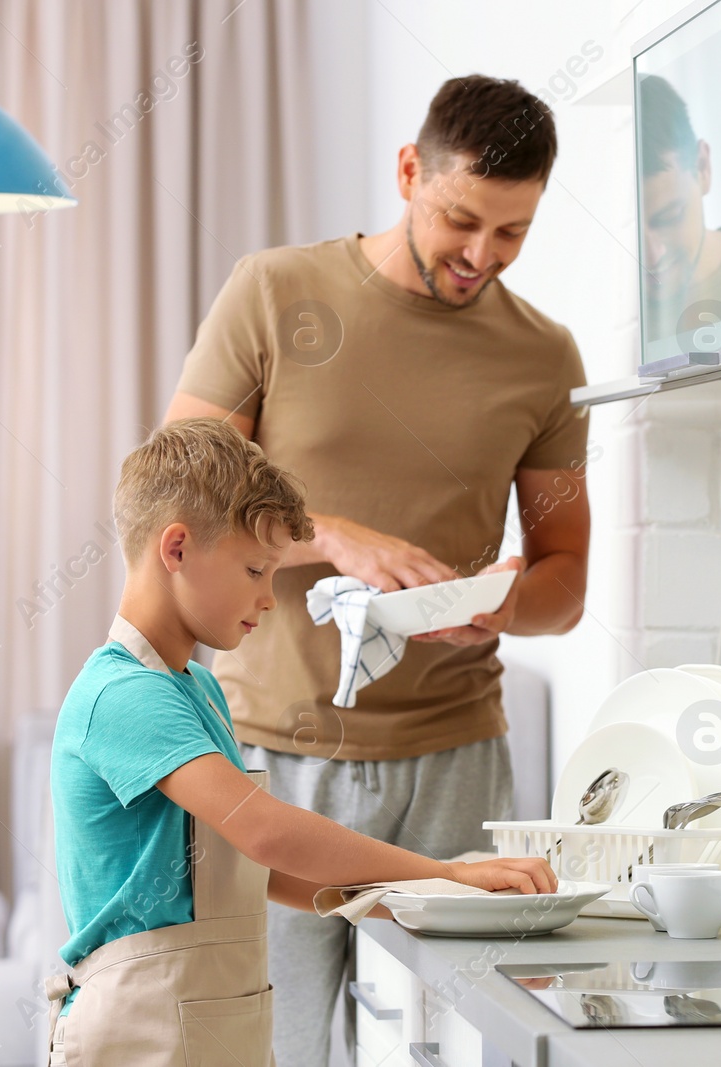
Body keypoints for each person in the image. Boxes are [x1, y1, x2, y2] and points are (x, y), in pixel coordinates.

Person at [162, 75, 591, 1067]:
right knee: (262, 1049)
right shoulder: (274, 291)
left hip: (455, 765)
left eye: (512, 233)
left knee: (445, 1049)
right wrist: (333, 533)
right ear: (409, 172)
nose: (480, 256)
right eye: (460, 219)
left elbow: (565, 579)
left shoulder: (541, 358)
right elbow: (182, 484)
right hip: (270, 755)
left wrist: (494, 607)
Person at [45, 418, 555, 1066]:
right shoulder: (124, 695)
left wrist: (430, 902)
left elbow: (259, 869)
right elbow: (266, 832)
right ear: (175, 548)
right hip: (140, 1026)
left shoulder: (194, 688)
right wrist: (448, 872)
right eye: (256, 568)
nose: (269, 596)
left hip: (211, 1017)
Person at [637, 74, 721, 360]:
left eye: (670, 217)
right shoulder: (612, 315)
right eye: (631, 231)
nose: (652, 256)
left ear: (703, 167)